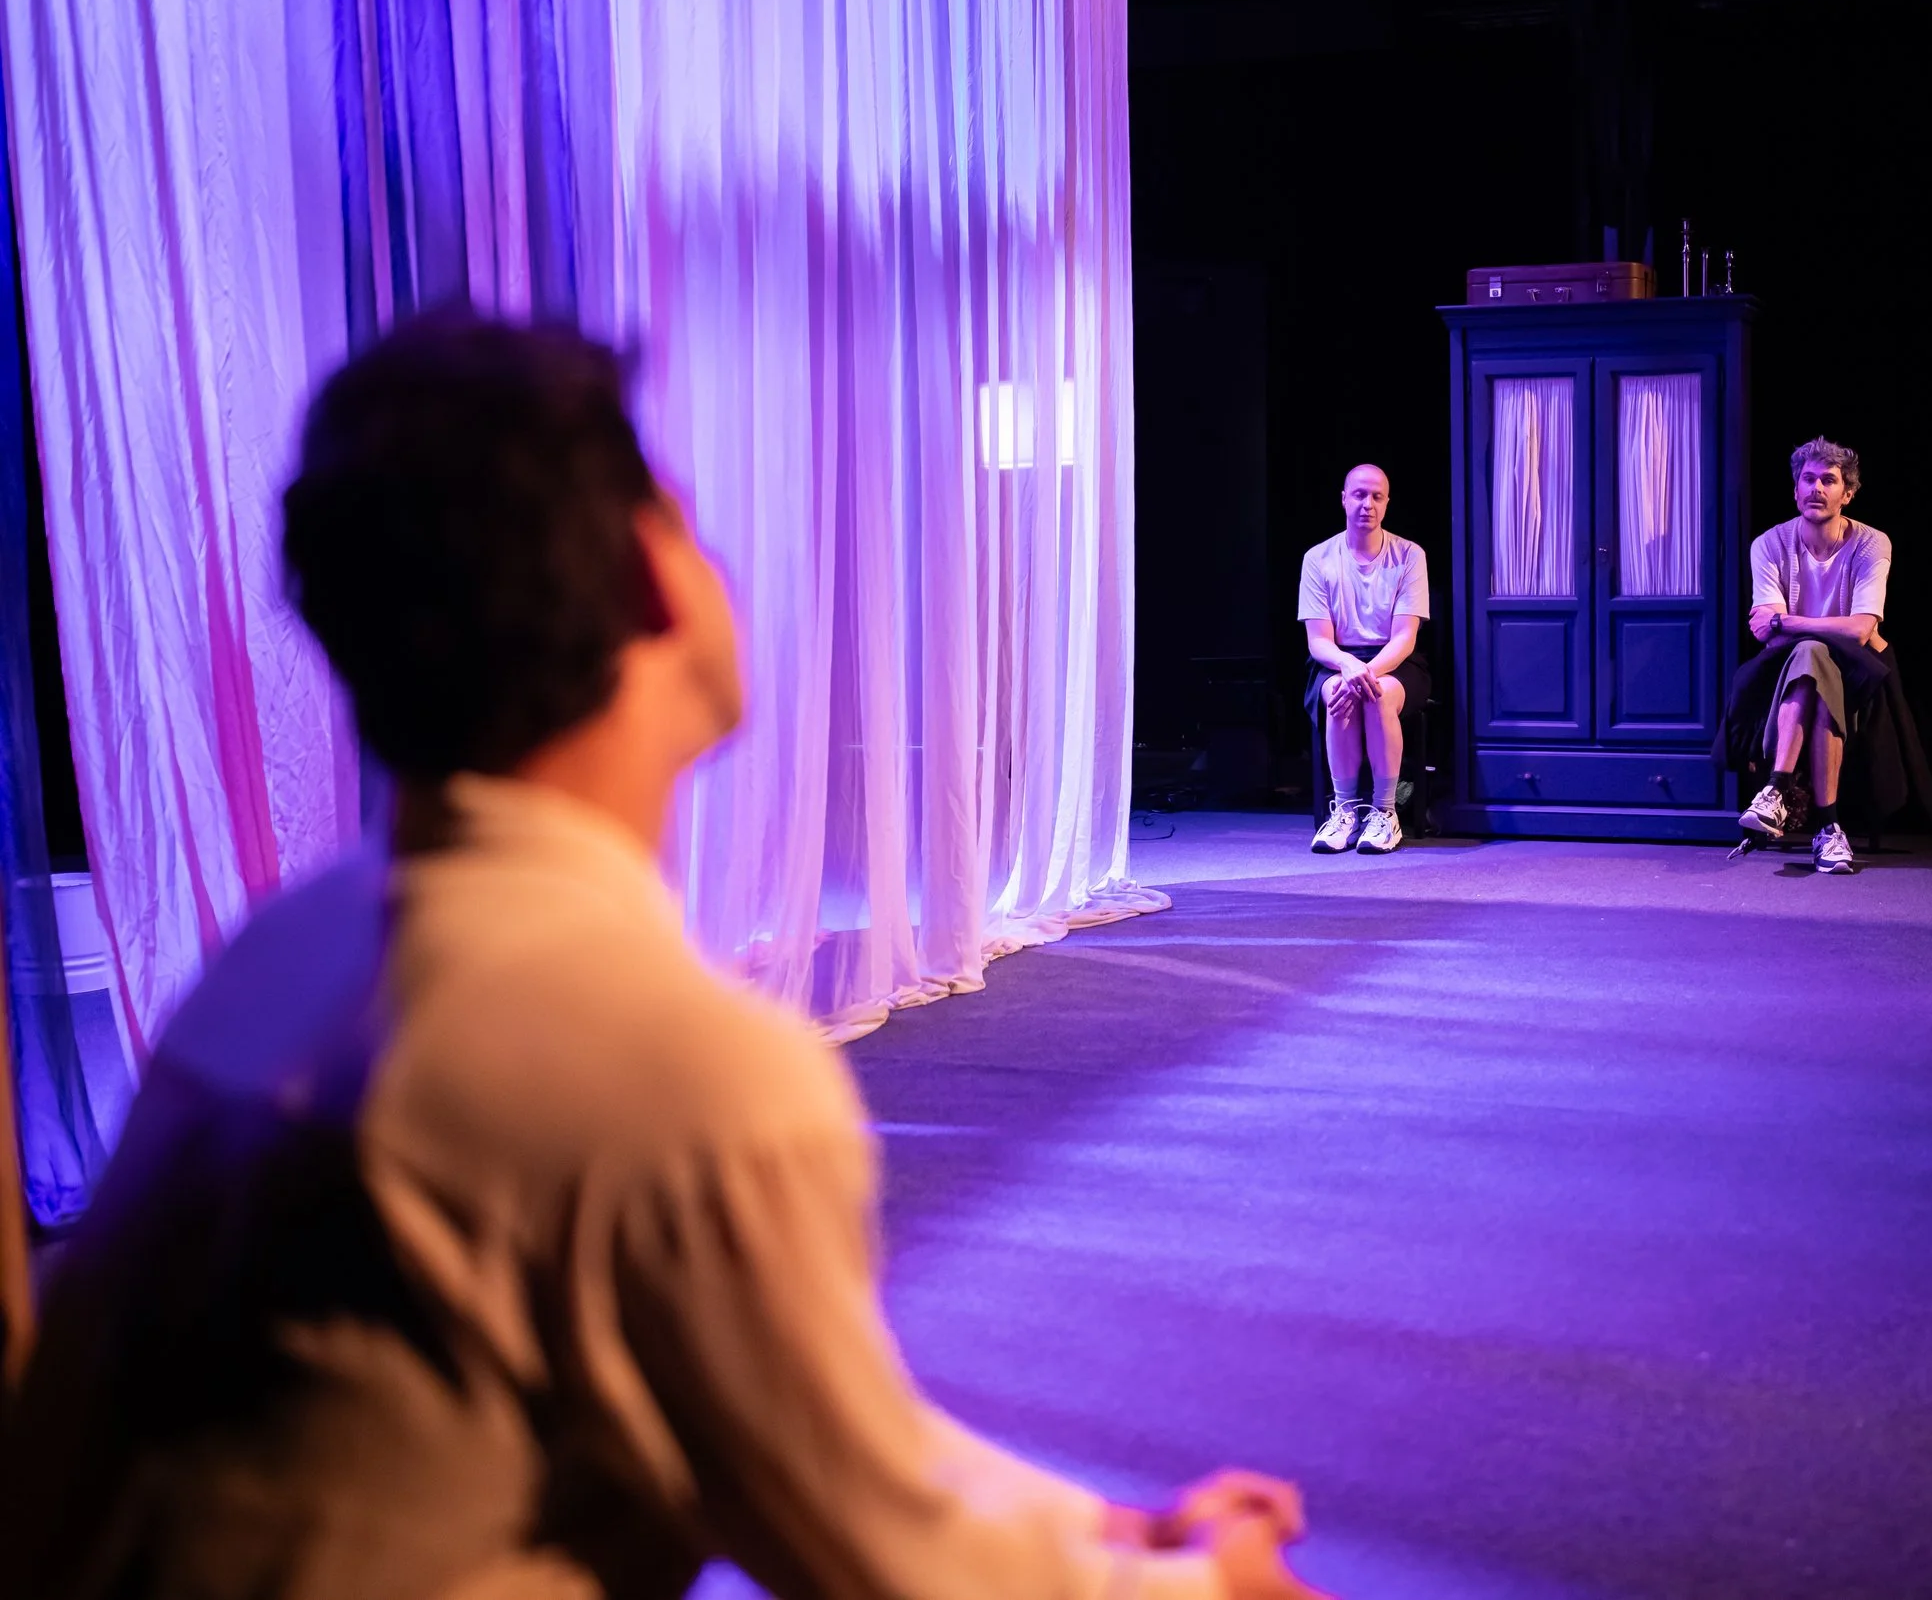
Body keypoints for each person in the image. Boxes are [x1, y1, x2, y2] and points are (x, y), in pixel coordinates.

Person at [0, 316, 1322, 1600]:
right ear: (646, 579)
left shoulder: (280, 954)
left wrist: (1118, 1528)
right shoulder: (682, 1071)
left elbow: (816, 1437)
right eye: (689, 516)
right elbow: (890, 1557)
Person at [1726, 438, 1894, 876]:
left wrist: (1787, 622)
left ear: (1847, 493)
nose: (1817, 487)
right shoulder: (1769, 544)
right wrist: (1796, 629)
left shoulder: (1872, 544)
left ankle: (1775, 790)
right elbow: (1770, 633)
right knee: (1811, 655)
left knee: (1813, 652)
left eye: (1829, 480)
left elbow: (1859, 631)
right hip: (1788, 668)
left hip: (1858, 672)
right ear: (1795, 490)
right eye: (1808, 479)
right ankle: (1828, 827)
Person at [1297, 464, 1431, 855]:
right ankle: (1345, 811)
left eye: (1376, 496)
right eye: (1359, 494)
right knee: (1339, 690)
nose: (1367, 504)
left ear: (1387, 503)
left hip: (1395, 660)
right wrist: (1348, 666)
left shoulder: (1409, 555)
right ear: (1343, 498)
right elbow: (1318, 641)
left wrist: (1366, 672)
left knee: (1378, 694)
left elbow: (1405, 637)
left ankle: (1386, 813)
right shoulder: (1317, 559)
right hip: (1338, 659)